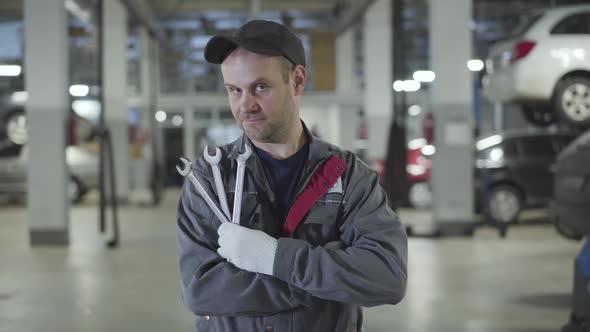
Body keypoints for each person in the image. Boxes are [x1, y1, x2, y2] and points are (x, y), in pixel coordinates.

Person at [176, 19, 407, 332]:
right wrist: (325, 279)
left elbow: (386, 277)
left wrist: (274, 258)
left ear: (297, 81)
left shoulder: (350, 177)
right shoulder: (209, 179)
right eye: (234, 90)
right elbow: (202, 291)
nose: (245, 105)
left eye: (260, 87)